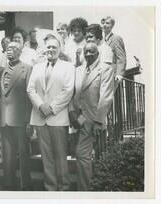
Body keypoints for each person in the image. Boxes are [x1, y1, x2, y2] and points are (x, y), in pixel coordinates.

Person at [27, 34, 74, 191]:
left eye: (54, 47)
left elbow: (68, 90)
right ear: (44, 49)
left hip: (58, 117)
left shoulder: (68, 67)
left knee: (60, 156)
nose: (51, 50)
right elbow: (30, 89)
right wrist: (41, 106)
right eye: (48, 47)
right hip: (41, 117)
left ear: (60, 49)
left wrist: (51, 108)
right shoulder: (37, 67)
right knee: (46, 157)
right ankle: (51, 188)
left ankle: (64, 188)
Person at [69, 43, 114, 191]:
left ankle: (86, 191)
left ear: (98, 53)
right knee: (83, 155)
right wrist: (72, 113)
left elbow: (106, 97)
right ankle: (88, 188)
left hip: (93, 119)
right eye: (86, 51)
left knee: (84, 154)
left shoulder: (105, 69)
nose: (88, 54)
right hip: (78, 119)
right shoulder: (78, 70)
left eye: (91, 51)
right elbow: (72, 93)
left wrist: (99, 122)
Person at [0, 42, 33, 191]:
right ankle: (9, 183)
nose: (9, 51)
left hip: (20, 118)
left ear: (19, 52)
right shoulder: (1, 70)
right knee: (7, 154)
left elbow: (29, 95)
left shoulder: (27, 68)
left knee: (23, 152)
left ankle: (25, 184)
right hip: (4, 118)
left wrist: (28, 120)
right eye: (7, 49)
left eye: (13, 49)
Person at [101, 16, 127, 81]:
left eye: (107, 23)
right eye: (103, 23)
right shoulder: (101, 41)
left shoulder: (116, 38)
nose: (104, 25)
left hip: (113, 75)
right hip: (103, 75)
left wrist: (119, 74)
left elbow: (121, 57)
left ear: (112, 26)